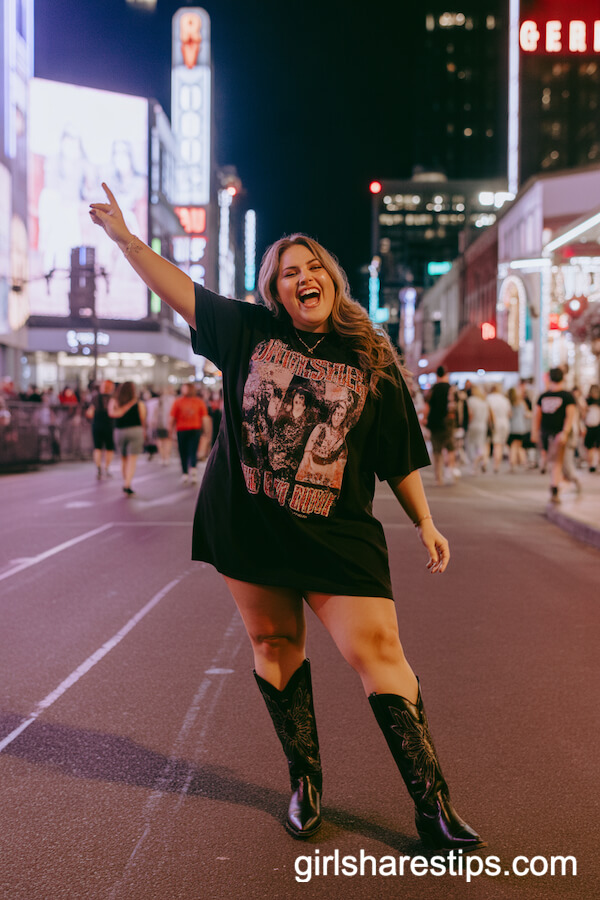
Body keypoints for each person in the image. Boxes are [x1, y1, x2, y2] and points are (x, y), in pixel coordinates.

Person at [89, 183, 485, 852]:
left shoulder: (372, 358)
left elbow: (396, 452)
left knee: (380, 651)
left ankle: (433, 805)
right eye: (287, 274)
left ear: (331, 278)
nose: (303, 279)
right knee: (275, 646)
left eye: (311, 268)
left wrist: (425, 520)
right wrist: (128, 241)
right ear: (275, 291)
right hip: (252, 523)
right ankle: (305, 782)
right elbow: (177, 289)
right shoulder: (247, 330)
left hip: (337, 531)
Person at [531, 368, 576, 504]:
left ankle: (554, 485)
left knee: (553, 462)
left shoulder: (543, 396)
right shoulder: (567, 396)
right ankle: (555, 485)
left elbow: (536, 416)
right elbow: (570, 416)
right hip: (557, 433)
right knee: (556, 462)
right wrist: (565, 432)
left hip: (547, 433)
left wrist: (535, 432)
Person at [108, 380, 146, 495]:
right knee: (132, 459)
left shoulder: (114, 401)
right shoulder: (138, 402)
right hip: (135, 430)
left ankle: (125, 480)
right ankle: (127, 484)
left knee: (123, 458)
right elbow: (142, 417)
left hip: (119, 431)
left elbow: (111, 413)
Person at [424, 367, 459, 485]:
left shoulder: (433, 389)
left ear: (437, 375)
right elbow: (456, 407)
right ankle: (450, 472)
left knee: (437, 451)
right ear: (446, 374)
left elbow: (427, 405)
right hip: (448, 423)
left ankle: (438, 478)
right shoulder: (451, 389)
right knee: (450, 448)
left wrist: (424, 418)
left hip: (435, 423)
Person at [170, 383, 209, 484]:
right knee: (183, 452)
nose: (183, 389)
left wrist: (206, 431)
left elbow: (204, 418)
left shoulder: (198, 402)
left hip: (194, 430)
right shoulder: (178, 402)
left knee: (192, 451)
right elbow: (172, 418)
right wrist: (170, 431)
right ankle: (185, 473)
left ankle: (192, 471)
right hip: (182, 430)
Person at [86, 379, 116, 479]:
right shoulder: (113, 398)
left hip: (97, 424)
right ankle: (107, 468)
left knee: (97, 447)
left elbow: (89, 413)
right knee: (109, 448)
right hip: (109, 425)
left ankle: (98, 468)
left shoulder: (95, 398)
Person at [486, 384, 511, 474]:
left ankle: (485, 462)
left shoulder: (488, 398)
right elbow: (509, 414)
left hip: (493, 423)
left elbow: (488, 413)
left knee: (489, 443)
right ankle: (496, 465)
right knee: (499, 445)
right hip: (504, 423)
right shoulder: (505, 399)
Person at [507, 386, 529, 472]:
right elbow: (526, 414)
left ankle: (513, 464)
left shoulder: (510, 403)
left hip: (512, 427)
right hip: (521, 427)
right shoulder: (522, 403)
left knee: (513, 446)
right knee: (519, 446)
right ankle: (524, 462)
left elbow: (509, 415)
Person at [583, 384, 600, 472]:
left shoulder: (587, 400)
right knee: (596, 447)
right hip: (596, 426)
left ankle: (591, 465)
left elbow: (583, 414)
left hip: (590, 426)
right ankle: (595, 464)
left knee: (591, 447)